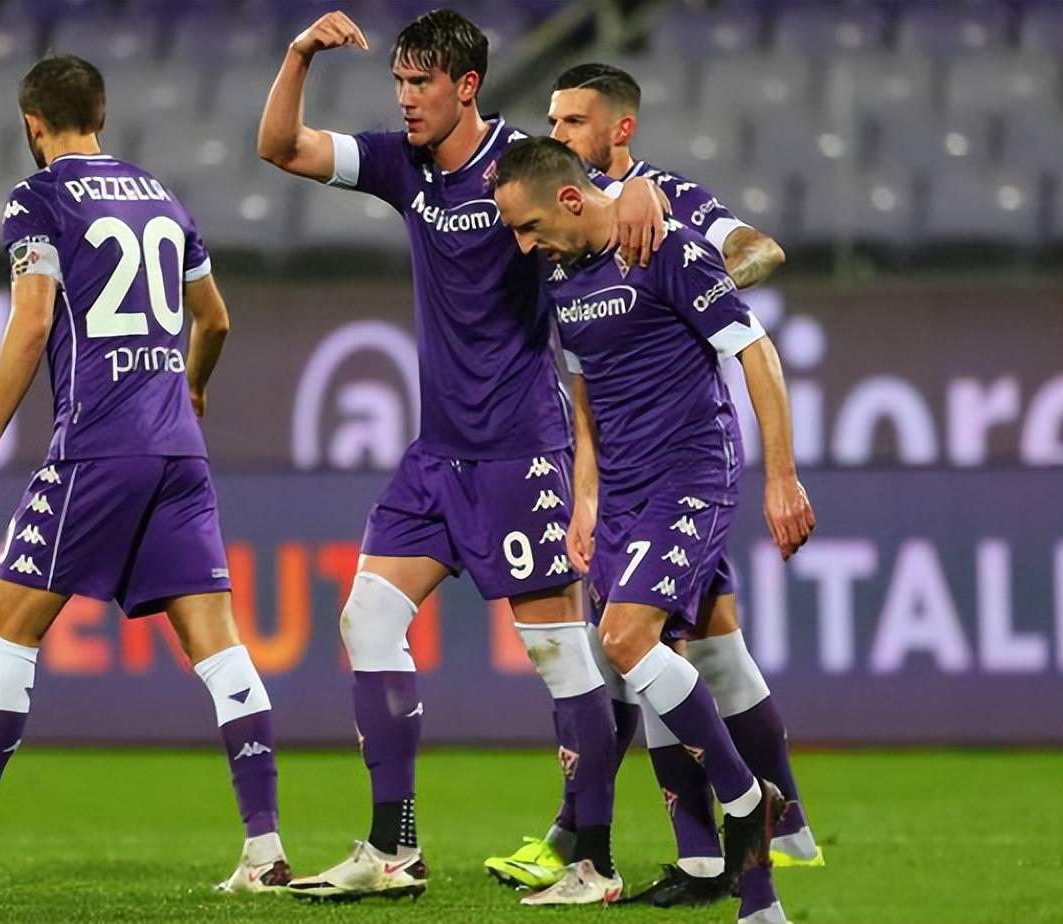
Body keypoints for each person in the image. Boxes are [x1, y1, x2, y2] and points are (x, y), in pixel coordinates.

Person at [257, 9, 666, 905]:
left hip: (521, 451)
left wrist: (638, 190)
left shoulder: (522, 164)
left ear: (466, 86)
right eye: (399, 82)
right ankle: (392, 849)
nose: (406, 99)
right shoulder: (403, 165)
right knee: (367, 619)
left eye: (422, 83)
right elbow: (281, 147)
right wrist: (299, 54)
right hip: (436, 456)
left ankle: (595, 862)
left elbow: (604, 194)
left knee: (561, 656)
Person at [0, 55, 288, 895]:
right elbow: (216, 320)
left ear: (32, 124)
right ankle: (265, 851)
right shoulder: (163, 197)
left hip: (98, 445)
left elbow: (32, 320)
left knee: (8, 627)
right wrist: (192, 386)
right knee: (220, 648)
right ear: (102, 114)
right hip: (178, 452)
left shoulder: (39, 198)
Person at [486, 63, 820, 907]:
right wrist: (585, 495)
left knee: (630, 641)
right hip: (624, 489)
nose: (523, 247)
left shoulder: (665, 241)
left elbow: (756, 352)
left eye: (529, 228)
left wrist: (781, 476)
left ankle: (748, 804)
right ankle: (726, 870)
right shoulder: (562, 272)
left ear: (569, 199)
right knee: (690, 654)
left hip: (690, 472)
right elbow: (585, 394)